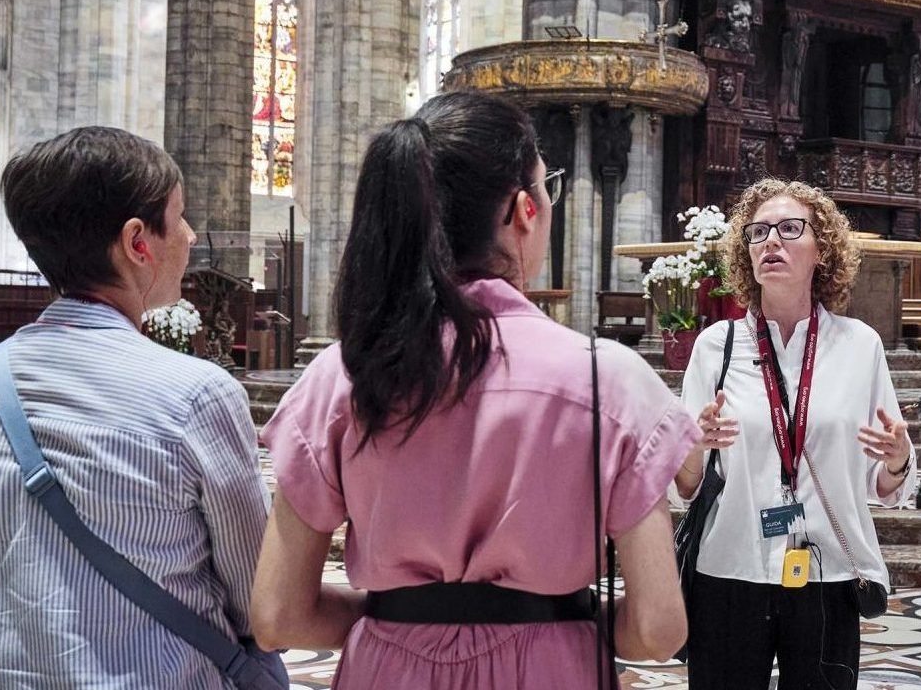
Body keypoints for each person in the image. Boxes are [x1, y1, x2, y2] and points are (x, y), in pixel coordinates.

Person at [251, 90, 696, 686]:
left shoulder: (343, 375)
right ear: (521, 211)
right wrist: (556, 624)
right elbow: (659, 629)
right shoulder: (608, 378)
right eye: (547, 187)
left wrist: (402, 618)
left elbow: (278, 615)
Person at [0, 126, 267, 688]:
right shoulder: (195, 393)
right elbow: (261, 600)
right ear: (139, 242)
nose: (188, 235)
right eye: (180, 217)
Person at [673, 178, 913, 690]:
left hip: (825, 572)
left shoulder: (858, 346)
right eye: (758, 232)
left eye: (789, 229)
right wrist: (695, 442)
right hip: (730, 566)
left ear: (821, 248)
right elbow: (685, 483)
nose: (770, 242)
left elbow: (883, 483)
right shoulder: (716, 346)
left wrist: (897, 459)